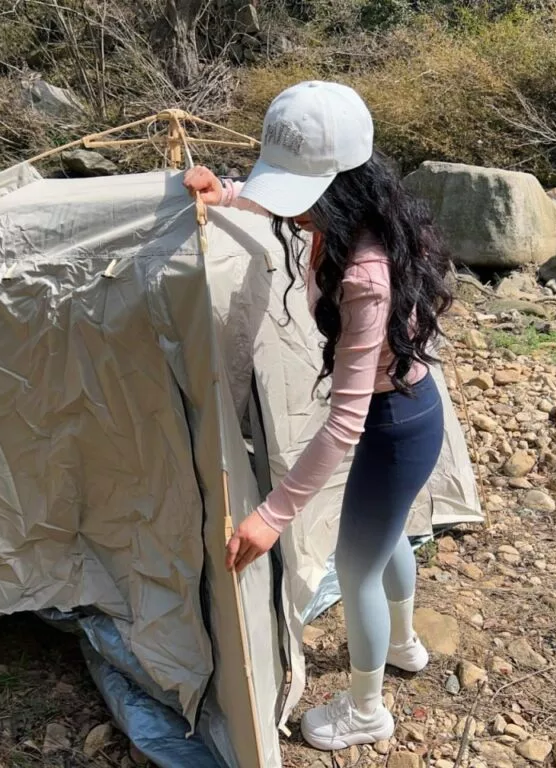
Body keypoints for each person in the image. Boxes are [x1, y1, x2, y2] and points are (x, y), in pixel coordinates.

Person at [183, 80, 453, 752]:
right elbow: (281, 201)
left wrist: (272, 515)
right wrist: (227, 194)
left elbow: (345, 422)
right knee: (389, 536)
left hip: (392, 426)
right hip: (416, 412)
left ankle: (366, 710)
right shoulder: (375, 219)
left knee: (355, 567)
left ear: (342, 189)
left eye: (304, 198)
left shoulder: (363, 275)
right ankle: (404, 644)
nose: (296, 213)